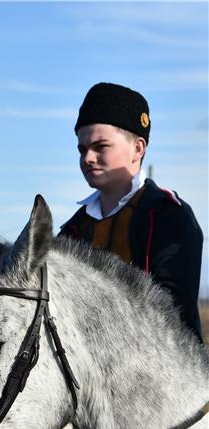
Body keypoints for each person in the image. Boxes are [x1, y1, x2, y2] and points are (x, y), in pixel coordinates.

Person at [59, 82, 203, 340]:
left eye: (100, 147)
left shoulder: (170, 216)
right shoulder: (72, 230)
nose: (87, 158)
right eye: (82, 149)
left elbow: (172, 316)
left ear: (138, 148)